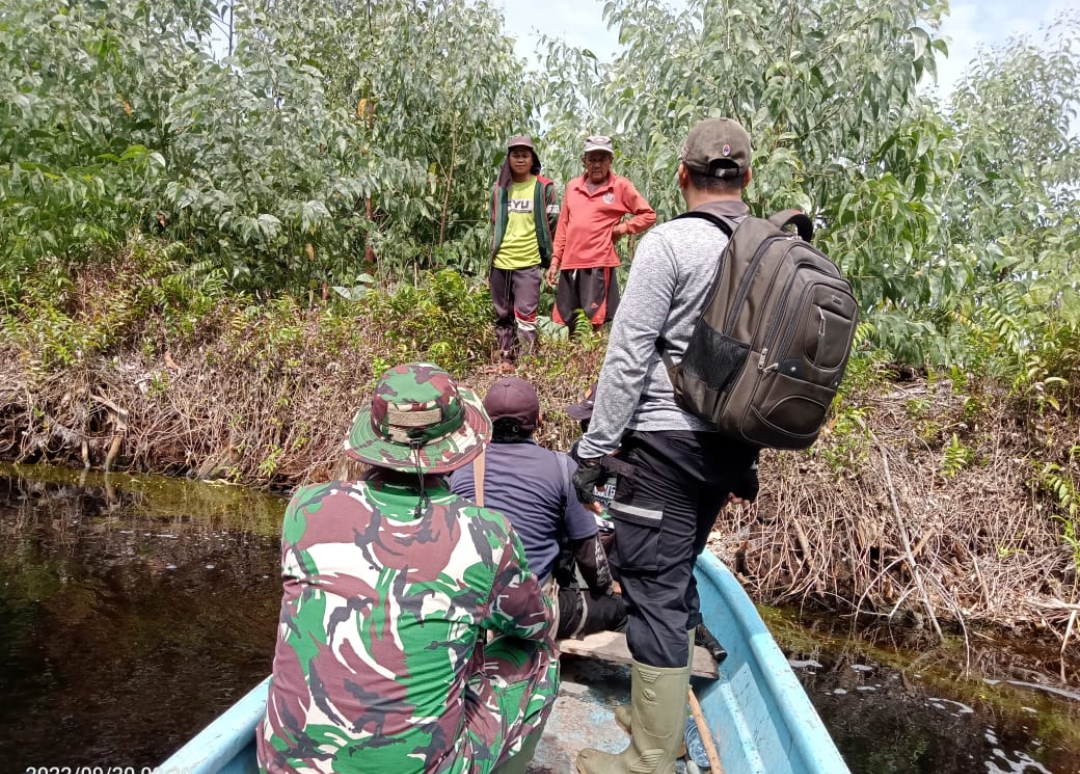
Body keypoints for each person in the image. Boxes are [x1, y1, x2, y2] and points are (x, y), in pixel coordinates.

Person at [570, 118, 762, 774]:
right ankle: (662, 722)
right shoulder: (769, 246)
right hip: (732, 451)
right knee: (676, 574)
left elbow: (627, 356)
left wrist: (594, 450)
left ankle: (650, 758)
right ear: (748, 176)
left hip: (665, 445)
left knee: (652, 584)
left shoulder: (670, 244)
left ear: (683, 176)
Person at [258, 363, 558, 774]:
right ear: (456, 445)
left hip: (282, 766)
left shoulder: (305, 507)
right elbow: (531, 625)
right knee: (540, 655)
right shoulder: (486, 533)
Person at [449, 376, 626, 641]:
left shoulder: (459, 469)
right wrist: (606, 590)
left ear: (485, 422)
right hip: (529, 614)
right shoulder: (562, 467)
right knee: (621, 609)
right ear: (539, 419)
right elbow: (590, 557)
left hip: (473, 609)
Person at [544, 135, 656, 335]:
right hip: (570, 264)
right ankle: (574, 363)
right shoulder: (573, 187)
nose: (597, 164)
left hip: (598, 263)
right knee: (569, 320)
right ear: (584, 161)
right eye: (592, 159)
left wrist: (622, 229)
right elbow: (563, 227)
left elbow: (648, 215)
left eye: (602, 159)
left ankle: (592, 363)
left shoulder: (620, 186)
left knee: (594, 321)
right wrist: (555, 262)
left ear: (611, 161)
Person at [489, 135, 560, 372]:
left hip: (528, 262)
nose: (520, 159)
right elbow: (494, 221)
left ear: (533, 159)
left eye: (525, 155)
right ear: (508, 159)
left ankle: (527, 363)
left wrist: (553, 260)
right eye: (515, 155)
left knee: (526, 316)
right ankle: (506, 360)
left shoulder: (543, 188)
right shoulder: (499, 190)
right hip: (501, 262)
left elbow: (553, 222)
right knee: (503, 315)